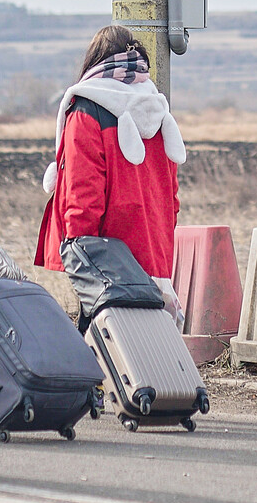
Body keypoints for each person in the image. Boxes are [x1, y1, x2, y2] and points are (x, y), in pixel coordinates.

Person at [34, 26, 186, 299]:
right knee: (154, 337)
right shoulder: (157, 109)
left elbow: (83, 193)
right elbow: (171, 196)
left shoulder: (87, 109)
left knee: (106, 337)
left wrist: (78, 251)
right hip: (155, 251)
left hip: (107, 263)